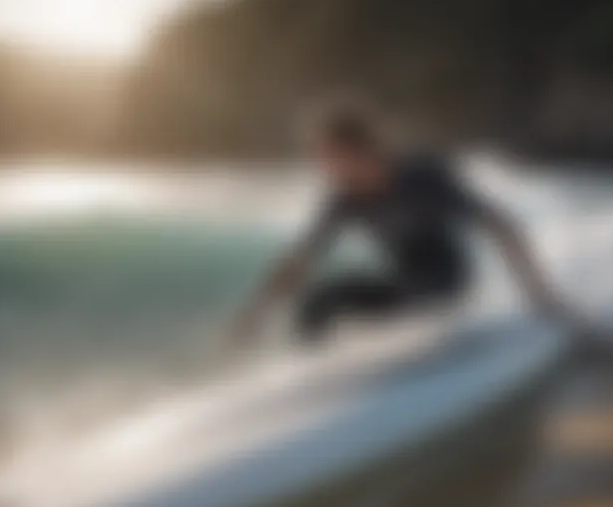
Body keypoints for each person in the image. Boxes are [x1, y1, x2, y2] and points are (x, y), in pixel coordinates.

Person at [232, 104, 573, 344]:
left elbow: (502, 225)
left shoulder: (422, 175)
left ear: (363, 149)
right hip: (404, 282)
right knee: (320, 303)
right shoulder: (345, 197)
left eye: (331, 156)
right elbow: (303, 257)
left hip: (445, 283)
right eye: (323, 158)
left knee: (413, 296)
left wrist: (542, 298)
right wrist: (254, 314)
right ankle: (312, 380)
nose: (326, 167)